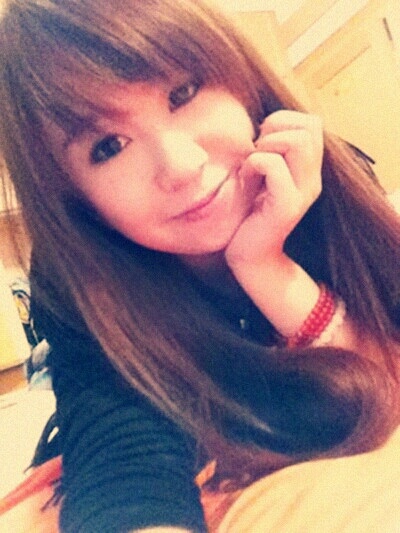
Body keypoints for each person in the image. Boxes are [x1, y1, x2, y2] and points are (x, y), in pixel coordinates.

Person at [0, 0, 399, 531]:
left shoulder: (324, 174)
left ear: (240, 80)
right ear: (75, 197)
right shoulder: (76, 283)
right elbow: (123, 460)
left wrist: (266, 266)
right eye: (109, 146)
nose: (183, 166)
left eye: (183, 93)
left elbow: (387, 367)